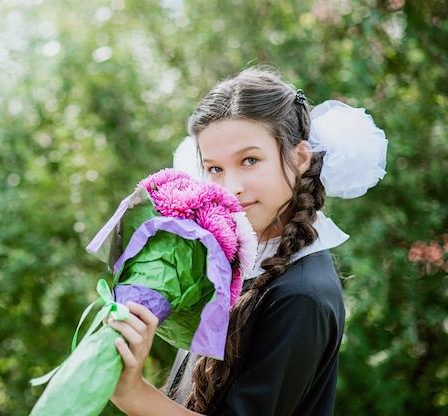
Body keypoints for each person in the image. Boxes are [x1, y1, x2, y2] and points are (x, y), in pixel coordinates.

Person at [107, 65, 387, 415]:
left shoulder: (301, 296)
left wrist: (133, 394)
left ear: (300, 158)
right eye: (215, 168)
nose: (231, 187)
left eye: (250, 160)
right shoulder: (227, 258)